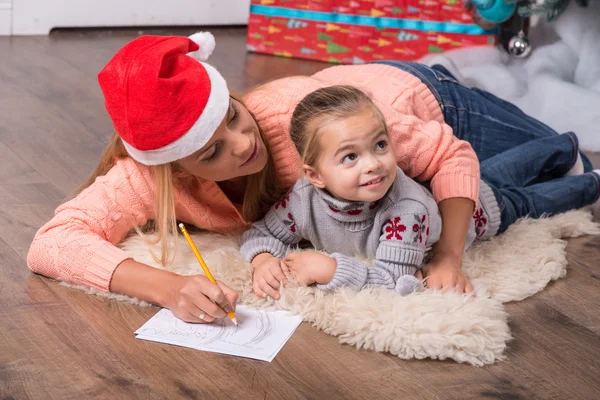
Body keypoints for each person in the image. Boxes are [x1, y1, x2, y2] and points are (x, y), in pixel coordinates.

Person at [27, 32, 592, 323]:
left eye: (233, 117)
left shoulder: (292, 119)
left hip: (424, 99)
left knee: (567, 151)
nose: (244, 144)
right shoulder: (146, 180)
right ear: (174, 170)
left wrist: (447, 254)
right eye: (214, 151)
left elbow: (448, 156)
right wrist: (167, 287)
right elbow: (53, 242)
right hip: (381, 132)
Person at [240, 85, 600, 298]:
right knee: (502, 170)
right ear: (314, 175)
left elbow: (396, 279)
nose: (373, 164)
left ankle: (587, 176)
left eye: (380, 145)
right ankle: (564, 148)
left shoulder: (404, 210)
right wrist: (263, 260)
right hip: (459, 188)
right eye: (350, 156)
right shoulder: (303, 198)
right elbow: (260, 233)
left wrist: (331, 269)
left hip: (482, 211)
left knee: (525, 200)